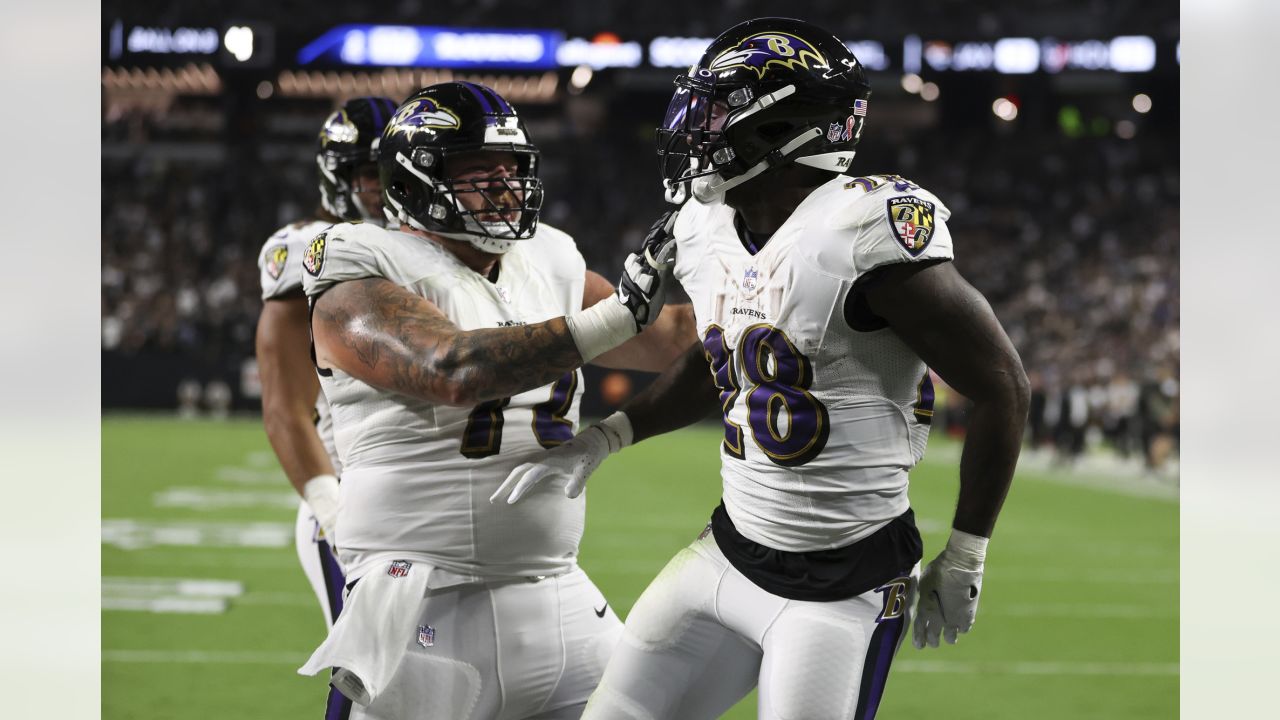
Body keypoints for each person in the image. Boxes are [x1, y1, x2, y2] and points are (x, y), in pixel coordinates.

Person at [493, 18, 1030, 720]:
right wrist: (609, 435)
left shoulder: (865, 230)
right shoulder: (702, 224)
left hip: (847, 582)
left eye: (719, 110)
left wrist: (967, 552)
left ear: (784, 128)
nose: (697, 127)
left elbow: (1002, 386)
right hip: (729, 551)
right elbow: (724, 360)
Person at [295, 81, 694, 720]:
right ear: (412, 180)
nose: (505, 185)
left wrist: (775, 293)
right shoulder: (357, 268)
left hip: (559, 599)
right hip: (423, 607)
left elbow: (668, 337)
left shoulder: (549, 259)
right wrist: (617, 315)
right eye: (479, 170)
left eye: (513, 168)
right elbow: (451, 369)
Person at [255, 96, 398, 627]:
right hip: (354, 497)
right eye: (372, 173)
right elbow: (284, 408)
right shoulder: (311, 252)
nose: (388, 187)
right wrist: (332, 508)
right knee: (376, 684)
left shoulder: (442, 246)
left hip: (431, 501)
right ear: (339, 178)